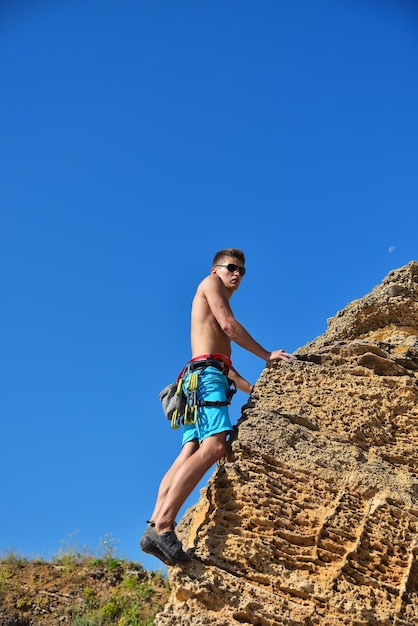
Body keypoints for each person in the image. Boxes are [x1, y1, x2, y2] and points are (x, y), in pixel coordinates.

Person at [140, 248, 293, 565]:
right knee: (214, 447)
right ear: (215, 270)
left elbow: (226, 365)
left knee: (188, 451)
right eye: (231, 267)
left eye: (242, 271)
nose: (237, 274)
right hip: (206, 377)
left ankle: (154, 523)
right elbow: (229, 326)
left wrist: (256, 391)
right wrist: (267, 355)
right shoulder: (211, 285)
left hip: (203, 376)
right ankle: (165, 526)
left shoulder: (211, 296)